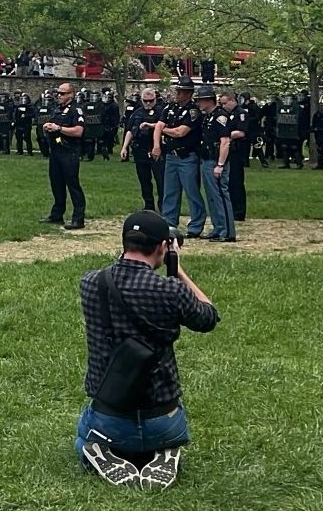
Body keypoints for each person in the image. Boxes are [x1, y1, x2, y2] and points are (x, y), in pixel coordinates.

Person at [76, 210, 219, 490]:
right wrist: (177, 270)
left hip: (109, 415)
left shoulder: (91, 283)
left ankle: (100, 452)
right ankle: (165, 451)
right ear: (163, 247)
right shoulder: (170, 291)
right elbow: (208, 316)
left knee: (84, 437)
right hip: (163, 420)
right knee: (166, 425)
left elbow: (120, 277)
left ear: (124, 243)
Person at [153, 78, 207, 238]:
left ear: (189, 93)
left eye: (181, 91)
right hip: (171, 155)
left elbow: (181, 132)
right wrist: (156, 145)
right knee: (170, 192)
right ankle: (169, 224)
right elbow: (158, 125)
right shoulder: (170, 108)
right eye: (177, 90)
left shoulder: (193, 111)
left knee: (192, 192)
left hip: (187, 156)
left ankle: (196, 226)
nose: (177, 94)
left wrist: (165, 129)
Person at [40, 83, 87, 229]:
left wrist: (59, 128)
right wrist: (48, 126)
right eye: (58, 93)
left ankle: (78, 218)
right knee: (56, 183)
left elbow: (79, 131)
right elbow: (54, 125)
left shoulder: (76, 110)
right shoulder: (58, 110)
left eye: (62, 93)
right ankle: (57, 214)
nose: (59, 96)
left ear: (71, 94)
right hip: (56, 150)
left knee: (72, 184)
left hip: (69, 151)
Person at [195, 86, 236, 242]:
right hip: (207, 159)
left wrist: (220, 164)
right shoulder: (208, 117)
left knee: (220, 196)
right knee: (212, 196)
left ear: (208, 100)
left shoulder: (220, 117)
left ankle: (227, 231)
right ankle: (218, 227)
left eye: (200, 100)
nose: (198, 103)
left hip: (216, 160)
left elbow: (225, 141)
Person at [121, 88, 165, 211]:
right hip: (140, 149)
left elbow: (165, 126)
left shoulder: (161, 111)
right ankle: (148, 205)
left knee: (160, 180)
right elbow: (130, 130)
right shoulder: (137, 113)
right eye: (145, 101)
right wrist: (124, 147)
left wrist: (150, 125)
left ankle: (163, 206)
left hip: (156, 149)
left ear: (155, 99)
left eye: (151, 101)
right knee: (144, 180)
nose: (148, 104)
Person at [219, 91, 248, 221]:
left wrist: (224, 135)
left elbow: (241, 132)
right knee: (227, 183)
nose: (223, 106)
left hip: (237, 151)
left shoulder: (240, 113)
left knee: (236, 182)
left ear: (232, 101)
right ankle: (229, 211)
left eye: (225, 103)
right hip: (227, 151)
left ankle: (239, 211)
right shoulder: (224, 114)